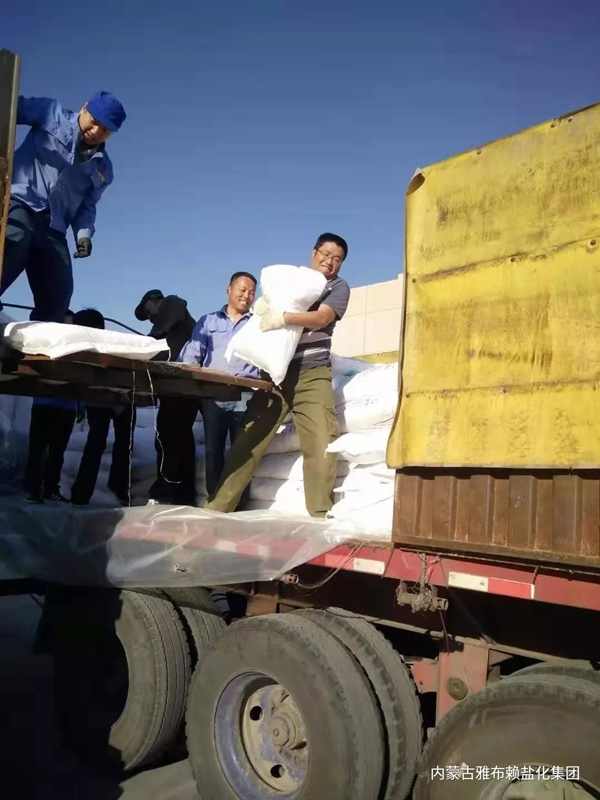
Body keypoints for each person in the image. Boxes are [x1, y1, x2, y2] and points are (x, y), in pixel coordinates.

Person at [205, 233, 350, 518]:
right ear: (314, 253)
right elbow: (265, 315)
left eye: (337, 259)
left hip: (312, 374)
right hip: (274, 375)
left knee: (321, 442)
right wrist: (263, 307)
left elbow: (322, 318)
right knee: (247, 441)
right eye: (326, 254)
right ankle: (216, 509)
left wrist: (284, 317)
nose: (330, 262)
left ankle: (320, 515)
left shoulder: (338, 287)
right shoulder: (291, 280)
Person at [0, 91, 126, 322]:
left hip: (53, 226)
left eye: (105, 130)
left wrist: (83, 235)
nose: (96, 131)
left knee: (60, 292)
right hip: (21, 201)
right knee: (14, 240)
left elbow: (87, 206)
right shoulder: (50, 113)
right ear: (84, 108)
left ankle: (39, 338)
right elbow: (8, 107)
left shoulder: (103, 169)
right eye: (94, 121)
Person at [179, 272, 259, 509]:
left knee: (242, 451)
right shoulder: (208, 321)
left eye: (252, 292)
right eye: (242, 290)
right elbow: (192, 354)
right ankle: (214, 501)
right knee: (213, 449)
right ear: (229, 290)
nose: (247, 296)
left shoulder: (257, 325)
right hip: (213, 395)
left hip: (245, 394)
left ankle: (240, 504)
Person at [134, 290, 197, 505]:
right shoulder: (164, 328)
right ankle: (184, 495)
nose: (149, 317)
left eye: (148, 311)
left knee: (169, 437)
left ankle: (164, 490)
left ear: (155, 300)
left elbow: (177, 305)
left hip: (184, 385)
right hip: (173, 388)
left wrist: (154, 337)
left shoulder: (172, 304)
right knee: (180, 439)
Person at [70, 309, 136, 506]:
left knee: (122, 445)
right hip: (99, 400)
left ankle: (118, 487)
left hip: (122, 401)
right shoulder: (80, 347)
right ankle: (82, 493)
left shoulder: (112, 345)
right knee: (96, 443)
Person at [24, 310, 77, 503]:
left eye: (70, 325)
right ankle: (32, 489)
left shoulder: (78, 348)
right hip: (44, 403)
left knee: (57, 452)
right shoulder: (44, 345)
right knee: (37, 449)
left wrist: (81, 405)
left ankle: (51, 489)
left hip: (67, 406)